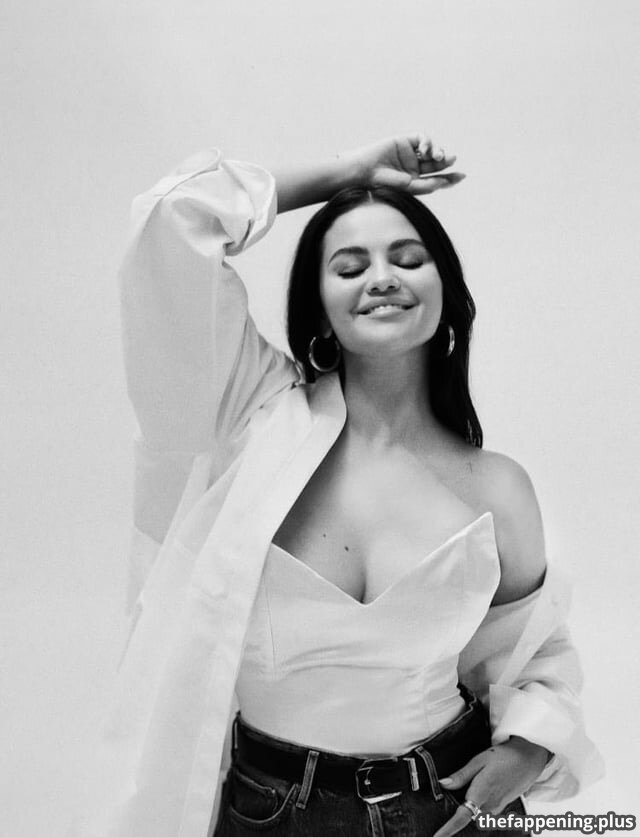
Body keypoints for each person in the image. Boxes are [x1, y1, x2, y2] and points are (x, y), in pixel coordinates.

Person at [96, 133, 603, 837]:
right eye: (350, 265)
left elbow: (534, 652)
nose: (383, 278)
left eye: (408, 259)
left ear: (446, 292)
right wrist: (349, 174)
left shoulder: (498, 488)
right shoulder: (251, 424)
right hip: (269, 814)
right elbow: (172, 221)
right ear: (320, 304)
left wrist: (528, 746)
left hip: (451, 808)